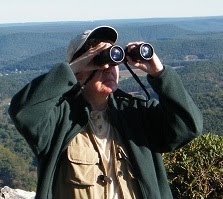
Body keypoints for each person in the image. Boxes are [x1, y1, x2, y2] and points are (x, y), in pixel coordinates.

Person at [8, 26, 203, 199]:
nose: (109, 68)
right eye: (98, 60)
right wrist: (73, 67)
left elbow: (189, 126)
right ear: (78, 69)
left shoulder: (136, 113)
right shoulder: (58, 120)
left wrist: (159, 72)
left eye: (114, 60)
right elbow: (23, 111)